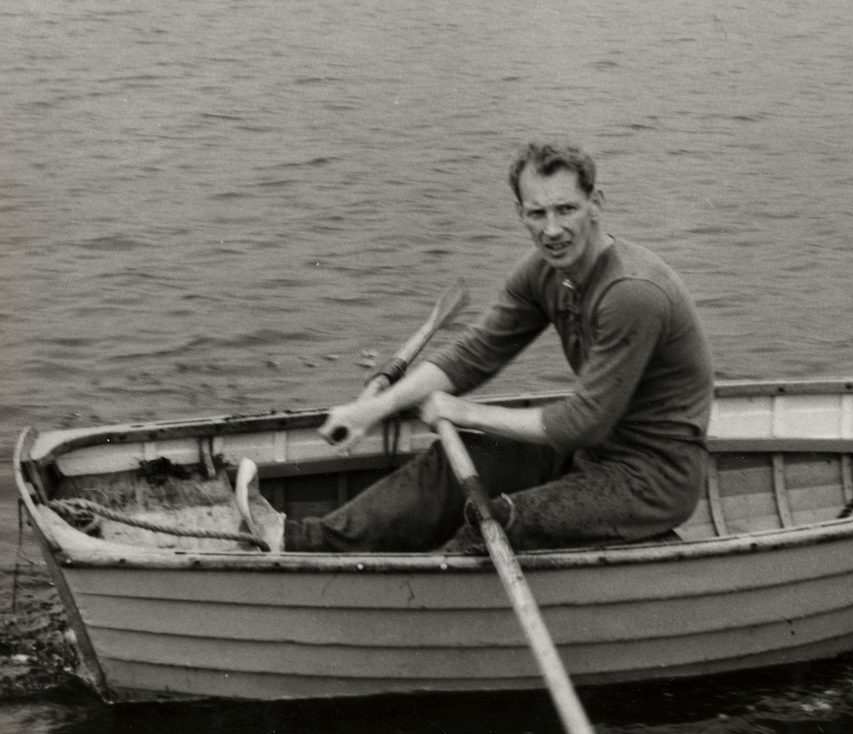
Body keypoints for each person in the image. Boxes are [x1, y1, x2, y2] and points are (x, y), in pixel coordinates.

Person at [240, 141, 714, 554]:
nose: (552, 230)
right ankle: (300, 542)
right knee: (453, 462)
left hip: (652, 480)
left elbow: (583, 422)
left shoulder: (631, 293)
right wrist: (375, 409)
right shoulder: (543, 271)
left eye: (566, 210)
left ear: (596, 204)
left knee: (494, 520)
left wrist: (464, 412)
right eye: (537, 213)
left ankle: (408, 597)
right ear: (520, 214)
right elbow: (474, 354)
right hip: (588, 453)